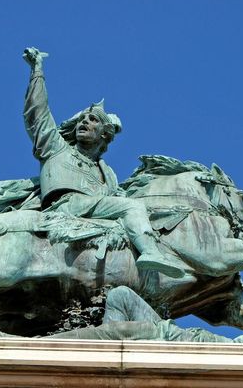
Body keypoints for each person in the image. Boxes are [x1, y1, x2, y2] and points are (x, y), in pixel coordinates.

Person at [22, 47, 188, 278]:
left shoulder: (106, 171)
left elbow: (118, 196)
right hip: (66, 206)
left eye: (92, 120)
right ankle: (151, 253)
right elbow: (37, 115)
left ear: (104, 134)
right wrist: (37, 72)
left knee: (137, 210)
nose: (84, 122)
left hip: (95, 210)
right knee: (131, 207)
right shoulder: (56, 148)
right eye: (81, 119)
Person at [0, 286, 243, 344]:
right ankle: (101, 349)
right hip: (172, 334)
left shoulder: (238, 349)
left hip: (168, 340)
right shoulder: (241, 344)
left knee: (115, 333)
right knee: (120, 294)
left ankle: (40, 344)